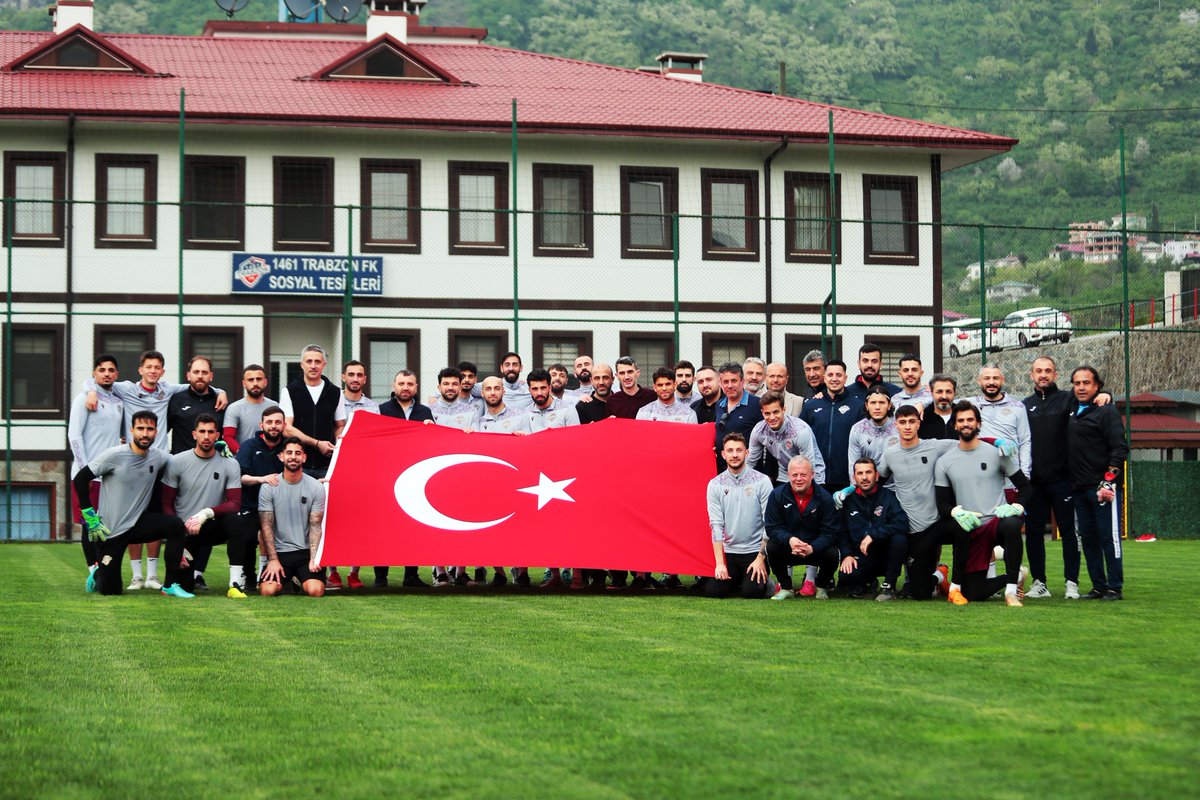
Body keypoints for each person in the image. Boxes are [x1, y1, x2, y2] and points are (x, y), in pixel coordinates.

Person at [83, 349, 227, 590]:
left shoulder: (167, 389)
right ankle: (136, 576)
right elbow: (101, 380)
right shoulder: (127, 388)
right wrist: (89, 389)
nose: (152, 371)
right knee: (130, 517)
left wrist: (220, 391)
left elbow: (193, 382)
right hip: (133, 460)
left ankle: (152, 576)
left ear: (162, 372)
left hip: (159, 462)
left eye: (157, 368)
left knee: (157, 519)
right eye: (148, 367)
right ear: (140, 370)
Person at [71, 410, 192, 597]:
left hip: (138, 524)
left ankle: (169, 585)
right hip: (112, 532)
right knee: (110, 591)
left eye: (149, 429)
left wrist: (216, 451)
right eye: (140, 428)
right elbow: (81, 478)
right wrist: (90, 516)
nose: (145, 433)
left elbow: (184, 462)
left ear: (156, 432)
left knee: (175, 526)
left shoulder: (158, 456)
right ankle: (98, 574)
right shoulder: (113, 455)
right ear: (131, 430)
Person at [934, 400, 1032, 607]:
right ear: (954, 426)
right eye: (961, 420)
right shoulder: (945, 461)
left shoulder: (997, 453)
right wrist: (955, 513)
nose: (966, 423)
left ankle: (1011, 592)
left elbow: (1026, 488)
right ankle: (1015, 576)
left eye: (970, 419)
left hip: (998, 521)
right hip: (972, 527)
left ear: (978, 423)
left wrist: (1017, 507)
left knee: (1013, 524)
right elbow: (941, 503)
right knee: (974, 593)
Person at [869, 404, 964, 602]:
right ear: (896, 425)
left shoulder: (934, 446)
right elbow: (875, 481)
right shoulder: (890, 454)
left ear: (919, 424)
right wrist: (850, 490)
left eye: (912, 422)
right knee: (919, 593)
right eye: (902, 422)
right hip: (912, 530)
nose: (907, 426)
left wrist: (996, 441)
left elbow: (965, 442)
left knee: (964, 529)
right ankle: (940, 575)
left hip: (936, 523)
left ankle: (961, 582)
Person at [161, 414, 246, 596]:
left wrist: (205, 513)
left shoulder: (230, 464)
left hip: (211, 526)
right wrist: (177, 537)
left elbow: (234, 503)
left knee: (238, 522)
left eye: (210, 432)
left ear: (217, 435)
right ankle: (180, 576)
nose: (206, 436)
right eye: (202, 432)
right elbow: (167, 503)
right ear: (194, 434)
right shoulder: (177, 461)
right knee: (184, 586)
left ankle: (235, 585)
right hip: (185, 531)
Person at [1022, 356, 1083, 599]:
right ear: (1032, 375)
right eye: (1039, 371)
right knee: (1034, 533)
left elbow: (1091, 395)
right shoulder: (1024, 405)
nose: (1043, 375)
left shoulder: (1069, 399)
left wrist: (1106, 394)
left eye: (1048, 371)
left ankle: (1072, 583)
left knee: (1069, 532)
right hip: (1034, 483)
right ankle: (1039, 584)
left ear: (1055, 374)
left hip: (1063, 481)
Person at [1067, 366, 1129, 601]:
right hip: (1079, 488)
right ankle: (1098, 586)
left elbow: (1120, 448)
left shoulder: (1106, 411)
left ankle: (1115, 587)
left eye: (1086, 383)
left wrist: (1108, 481)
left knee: (1108, 537)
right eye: (1076, 383)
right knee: (1088, 538)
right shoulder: (1071, 408)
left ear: (1097, 386)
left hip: (1103, 488)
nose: (1081, 387)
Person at [377, 370, 434, 589]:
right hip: (387, 476)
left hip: (415, 476)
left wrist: (432, 429)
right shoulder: (381, 410)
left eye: (410, 383)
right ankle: (381, 577)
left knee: (413, 525)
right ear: (394, 386)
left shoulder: (424, 412)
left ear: (416, 387)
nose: (405, 387)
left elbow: (433, 444)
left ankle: (411, 575)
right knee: (384, 528)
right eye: (401, 383)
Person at [68, 354, 123, 578]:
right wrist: (86, 471)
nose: (107, 373)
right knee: (89, 523)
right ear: (94, 373)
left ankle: (104, 568)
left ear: (116, 374)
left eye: (111, 370)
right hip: (87, 476)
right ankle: (94, 570)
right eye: (102, 370)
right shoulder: (83, 399)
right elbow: (74, 436)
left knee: (106, 525)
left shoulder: (119, 401)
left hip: (110, 476)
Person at [328, 359, 380, 591]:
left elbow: (376, 439)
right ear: (343, 377)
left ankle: (354, 572)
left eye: (360, 375)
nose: (355, 379)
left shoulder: (372, 407)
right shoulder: (333, 401)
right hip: (334, 465)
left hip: (361, 469)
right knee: (332, 519)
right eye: (351, 374)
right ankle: (332, 571)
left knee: (358, 520)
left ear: (365, 379)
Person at [705, 433, 773, 599]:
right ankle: (738, 580)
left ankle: (765, 581)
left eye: (739, 450)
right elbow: (716, 524)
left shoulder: (762, 481)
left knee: (752, 592)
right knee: (713, 591)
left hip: (754, 552)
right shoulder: (715, 484)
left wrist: (760, 558)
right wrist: (720, 564)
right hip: (729, 552)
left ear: (747, 453)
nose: (734, 454)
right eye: (730, 450)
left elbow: (770, 523)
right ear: (723, 454)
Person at [258, 437, 327, 599]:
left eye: (298, 453)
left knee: (315, 591)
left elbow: (316, 525)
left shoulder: (316, 487)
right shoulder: (269, 486)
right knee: (267, 591)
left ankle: (297, 579)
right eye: (289, 453)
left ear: (304, 457)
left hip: (305, 552)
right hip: (281, 554)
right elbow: (266, 526)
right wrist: (273, 559)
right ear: (281, 456)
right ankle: (289, 581)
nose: (293, 457)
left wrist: (314, 558)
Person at [764, 456, 840, 600]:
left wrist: (812, 547)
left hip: (814, 549)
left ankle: (821, 586)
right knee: (772, 546)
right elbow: (772, 528)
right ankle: (786, 587)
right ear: (788, 475)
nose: (799, 479)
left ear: (812, 475)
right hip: (789, 547)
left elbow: (831, 532)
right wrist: (790, 540)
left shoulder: (825, 498)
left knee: (833, 553)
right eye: (795, 475)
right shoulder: (776, 495)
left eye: (803, 475)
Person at [836, 458, 909, 601]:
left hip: (885, 555)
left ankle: (889, 587)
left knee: (900, 539)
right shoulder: (848, 501)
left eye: (868, 472)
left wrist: (873, 535)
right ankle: (868, 582)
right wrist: (846, 555)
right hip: (861, 555)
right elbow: (841, 532)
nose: (864, 477)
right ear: (854, 477)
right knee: (846, 577)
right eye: (860, 473)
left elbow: (902, 523)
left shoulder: (888, 496)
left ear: (876, 475)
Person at [235, 404, 288, 593]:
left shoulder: (288, 446)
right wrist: (262, 479)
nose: (273, 426)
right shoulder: (249, 446)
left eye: (278, 422)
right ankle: (249, 576)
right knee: (248, 537)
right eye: (269, 422)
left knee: (285, 537)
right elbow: (239, 477)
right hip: (252, 503)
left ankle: (279, 575)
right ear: (261, 425)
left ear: (284, 425)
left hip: (281, 505)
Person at [799, 359, 865, 494]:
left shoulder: (858, 406)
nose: (834, 379)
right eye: (830, 375)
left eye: (839, 375)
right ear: (824, 377)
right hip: (817, 479)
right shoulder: (811, 406)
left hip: (846, 479)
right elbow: (799, 436)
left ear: (845, 378)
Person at [280, 344, 345, 480]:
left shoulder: (335, 392)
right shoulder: (290, 391)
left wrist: (337, 446)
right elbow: (286, 428)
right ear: (302, 364)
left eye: (317, 362)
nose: (313, 366)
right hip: (298, 464)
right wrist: (317, 443)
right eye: (309, 361)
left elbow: (339, 425)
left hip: (326, 465)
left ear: (324, 364)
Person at [966, 365, 1032, 479]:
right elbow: (943, 399)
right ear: (979, 381)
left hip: (1011, 475)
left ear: (1002, 380)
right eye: (987, 378)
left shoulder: (1018, 406)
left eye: (995, 378)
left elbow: (1025, 441)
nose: (991, 382)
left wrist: (1025, 474)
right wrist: (923, 401)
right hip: (982, 474)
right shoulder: (971, 405)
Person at [748, 390, 824, 486]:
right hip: (785, 474)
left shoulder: (800, 430)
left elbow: (809, 466)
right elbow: (750, 462)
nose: (772, 417)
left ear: (784, 409)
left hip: (811, 475)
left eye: (776, 412)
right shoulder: (759, 431)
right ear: (762, 413)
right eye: (767, 413)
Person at [166, 355, 226, 454]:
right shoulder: (176, 400)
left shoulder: (221, 402)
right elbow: (162, 431)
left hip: (212, 464)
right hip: (181, 464)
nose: (200, 376)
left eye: (204, 372)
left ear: (211, 376)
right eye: (196, 372)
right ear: (188, 375)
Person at [713, 362, 763, 471]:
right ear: (720, 383)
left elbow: (767, 439)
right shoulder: (718, 405)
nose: (730, 386)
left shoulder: (757, 404)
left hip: (749, 470)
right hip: (723, 470)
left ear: (742, 381)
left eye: (734, 381)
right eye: (725, 382)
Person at [846, 387, 900, 487]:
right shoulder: (857, 429)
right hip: (868, 489)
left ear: (889, 405)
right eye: (873, 403)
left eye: (882, 402)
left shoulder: (899, 428)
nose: (877, 407)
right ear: (867, 405)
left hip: (896, 489)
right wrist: (854, 489)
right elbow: (853, 465)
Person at [222, 364, 275, 455]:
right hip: (244, 462)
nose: (255, 383)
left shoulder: (274, 406)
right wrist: (243, 454)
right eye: (251, 380)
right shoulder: (234, 408)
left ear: (265, 382)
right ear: (244, 383)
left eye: (259, 379)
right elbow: (228, 437)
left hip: (269, 459)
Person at [918, 374, 959, 440]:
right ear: (931, 393)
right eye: (939, 392)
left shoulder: (963, 416)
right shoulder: (922, 419)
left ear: (954, 393)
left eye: (948, 392)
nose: (944, 396)